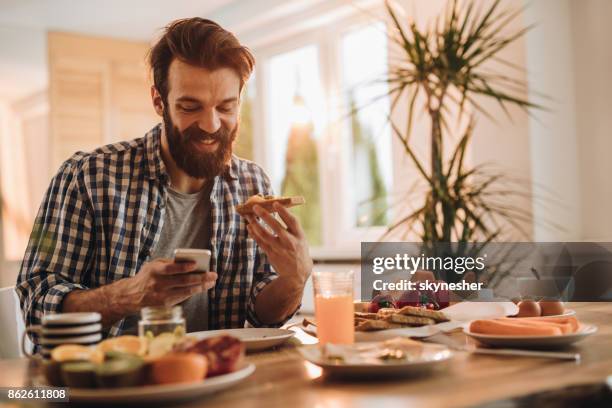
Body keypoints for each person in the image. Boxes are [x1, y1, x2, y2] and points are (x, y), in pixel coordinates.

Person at [16, 18, 312, 344]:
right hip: (112, 384)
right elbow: (35, 302)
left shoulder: (252, 184)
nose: (211, 125)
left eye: (226, 107)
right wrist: (129, 295)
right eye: (190, 107)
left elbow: (261, 314)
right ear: (159, 101)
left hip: (218, 378)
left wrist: (294, 279)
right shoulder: (88, 176)